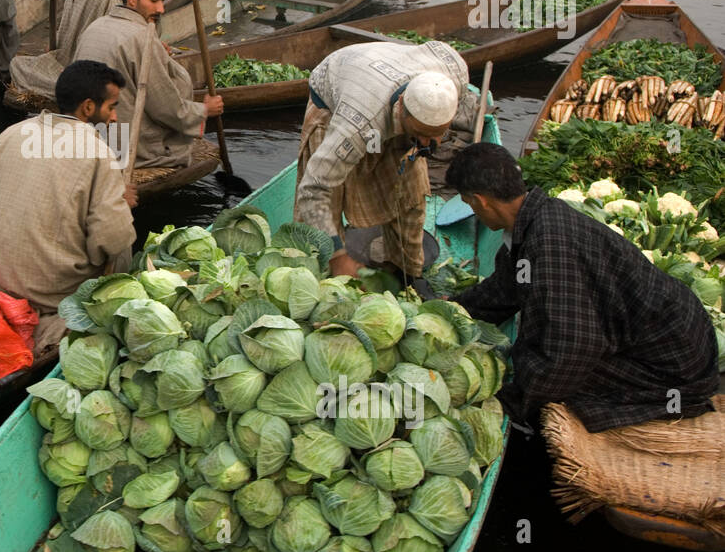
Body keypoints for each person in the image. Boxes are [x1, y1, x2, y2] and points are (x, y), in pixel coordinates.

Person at [446, 143, 719, 432]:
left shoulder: (548, 243)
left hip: (674, 361)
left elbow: (571, 349)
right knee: (534, 351)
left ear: (480, 201)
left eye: (468, 204)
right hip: (677, 328)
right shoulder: (536, 218)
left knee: (553, 369)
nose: (473, 211)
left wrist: (511, 401)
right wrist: (452, 308)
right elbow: (504, 289)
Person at [0, 59, 137, 345]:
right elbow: (112, 240)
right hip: (51, 295)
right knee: (122, 238)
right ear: (89, 107)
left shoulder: (14, 133)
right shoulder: (98, 152)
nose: (115, 118)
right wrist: (121, 203)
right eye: (112, 107)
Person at [293, 39, 476, 282]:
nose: (428, 143)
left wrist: (426, 137)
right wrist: (338, 255)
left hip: (380, 71)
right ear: (401, 109)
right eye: (421, 134)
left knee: (412, 192)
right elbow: (313, 189)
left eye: (437, 134)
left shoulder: (453, 76)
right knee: (330, 195)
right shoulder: (357, 125)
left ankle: (409, 272)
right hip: (334, 98)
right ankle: (324, 273)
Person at [71, 0, 223, 170]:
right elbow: (166, 108)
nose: (161, 9)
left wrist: (158, 55)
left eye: (162, 1)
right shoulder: (143, 38)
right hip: (123, 145)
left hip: (87, 136)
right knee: (177, 148)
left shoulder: (95, 26)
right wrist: (204, 110)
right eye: (154, 0)